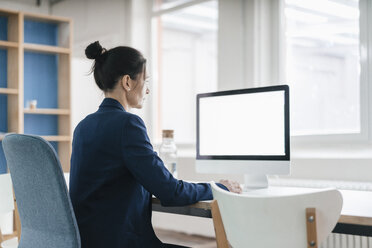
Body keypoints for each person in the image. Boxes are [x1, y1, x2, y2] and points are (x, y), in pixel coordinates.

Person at [69, 41, 242, 248]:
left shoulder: (83, 126)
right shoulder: (128, 124)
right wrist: (218, 187)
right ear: (127, 82)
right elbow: (170, 192)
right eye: (146, 81)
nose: (148, 90)